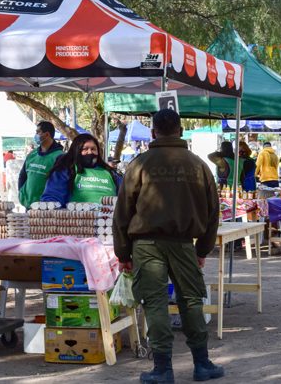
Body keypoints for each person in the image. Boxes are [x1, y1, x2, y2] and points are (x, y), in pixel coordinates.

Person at [113, 109, 223, 384]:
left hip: (146, 245)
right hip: (184, 244)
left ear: (153, 133)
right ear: (181, 131)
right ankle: (202, 364)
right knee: (191, 301)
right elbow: (213, 213)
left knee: (155, 303)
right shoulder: (198, 165)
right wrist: (202, 250)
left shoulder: (139, 164)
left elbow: (122, 214)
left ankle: (163, 369)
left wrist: (123, 253)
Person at [40, 133, 121, 206]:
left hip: (107, 220)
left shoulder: (110, 173)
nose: (90, 152)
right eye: (85, 149)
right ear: (76, 151)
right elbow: (52, 198)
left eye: (93, 149)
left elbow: (125, 196)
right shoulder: (66, 171)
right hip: (76, 220)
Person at [18, 121, 64, 209]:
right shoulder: (32, 154)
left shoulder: (60, 156)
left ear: (47, 135)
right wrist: (21, 192)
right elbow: (22, 175)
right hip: (28, 206)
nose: (36, 135)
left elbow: (60, 184)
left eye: (38, 132)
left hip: (47, 210)